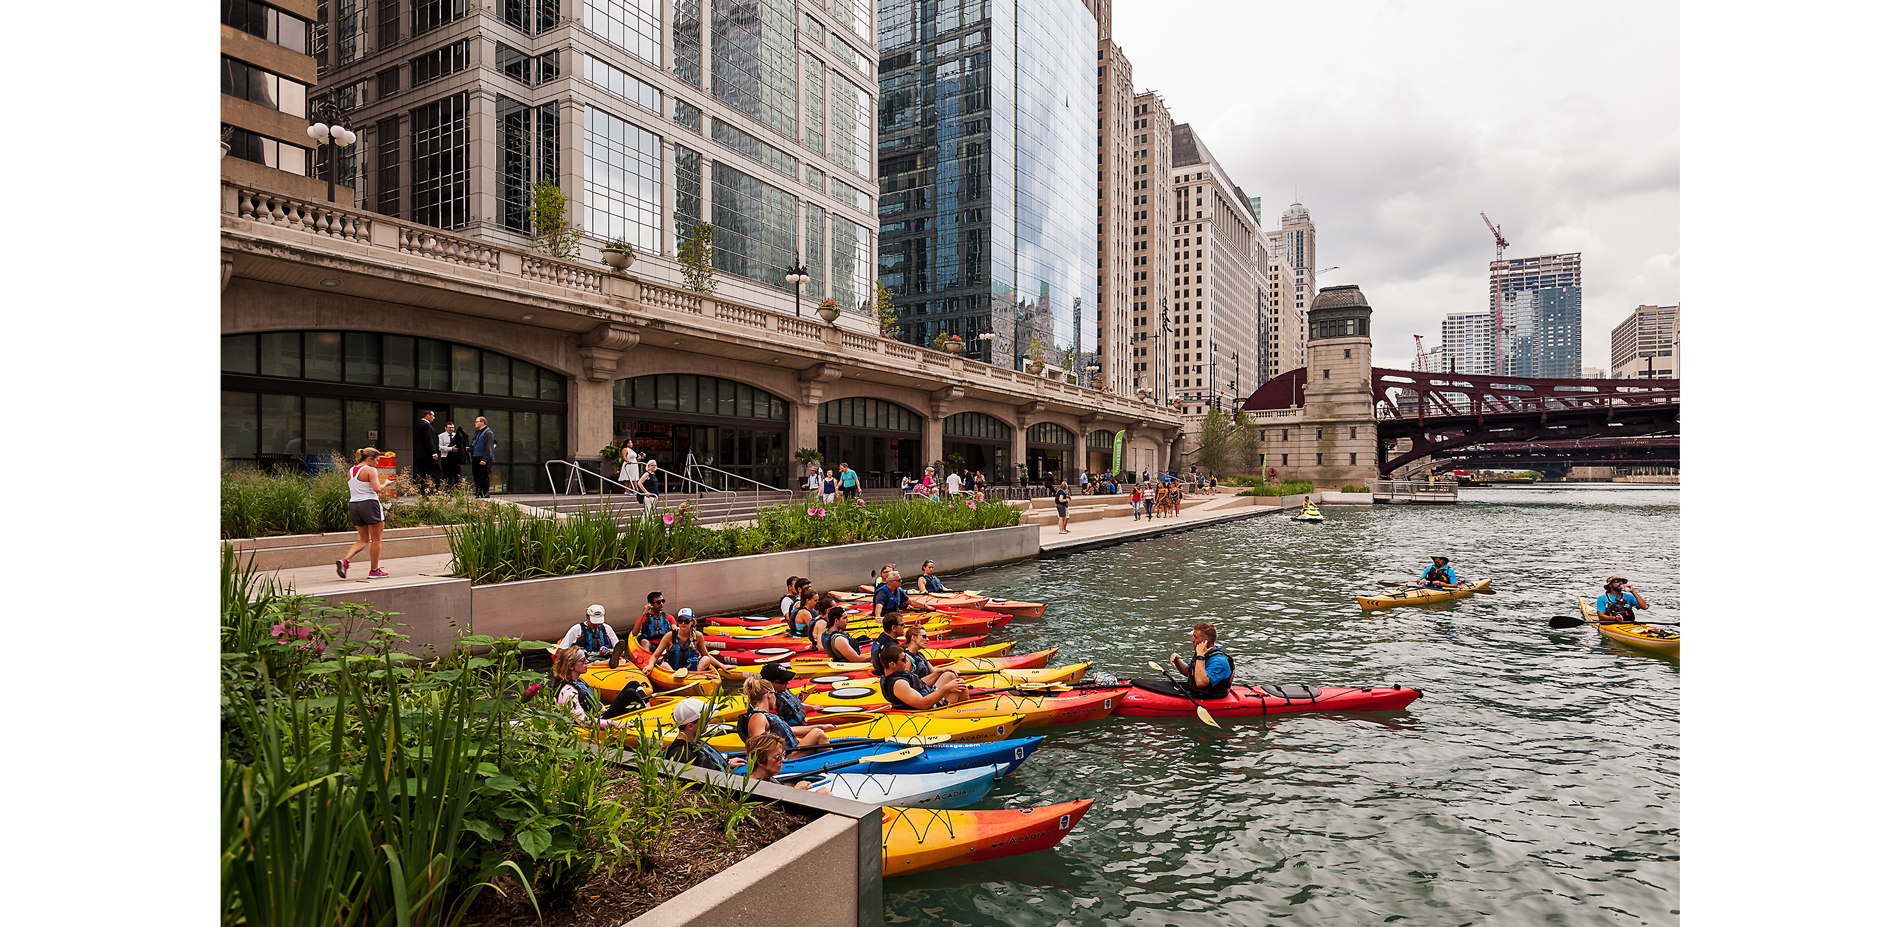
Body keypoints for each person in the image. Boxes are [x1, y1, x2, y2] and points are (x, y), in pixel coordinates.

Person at [548, 646, 647, 727]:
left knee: (633, 684)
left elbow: (590, 698)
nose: (586, 662)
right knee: (630, 693)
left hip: (601, 714)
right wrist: (614, 723)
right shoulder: (568, 691)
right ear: (571, 666)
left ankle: (648, 708)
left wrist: (602, 707)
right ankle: (647, 718)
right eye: (582, 661)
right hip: (598, 721)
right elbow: (582, 720)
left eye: (586, 659)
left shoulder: (578, 681)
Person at [337, 447, 394, 579]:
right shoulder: (370, 470)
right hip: (369, 504)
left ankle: (345, 560)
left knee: (364, 539)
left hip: (354, 505)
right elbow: (376, 489)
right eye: (377, 460)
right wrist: (385, 483)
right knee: (376, 539)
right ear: (369, 459)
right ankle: (374, 570)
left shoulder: (351, 471)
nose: (377, 463)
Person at [741, 675, 829, 750]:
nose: (775, 697)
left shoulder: (763, 715)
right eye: (774, 694)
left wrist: (820, 726)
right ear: (768, 694)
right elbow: (760, 747)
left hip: (788, 753)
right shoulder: (758, 717)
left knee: (817, 732)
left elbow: (789, 730)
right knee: (818, 733)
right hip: (783, 759)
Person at [875, 643, 968, 708]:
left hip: (927, 695)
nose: (906, 661)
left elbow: (920, 683)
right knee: (960, 686)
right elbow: (923, 704)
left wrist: (939, 671)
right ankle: (968, 712)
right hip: (931, 708)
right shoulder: (899, 684)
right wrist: (946, 688)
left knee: (949, 675)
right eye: (903, 660)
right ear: (892, 664)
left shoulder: (898, 673)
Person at [761, 662, 837, 741]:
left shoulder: (781, 690)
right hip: (793, 733)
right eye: (783, 681)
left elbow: (791, 705)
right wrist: (819, 727)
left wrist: (811, 707)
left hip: (802, 725)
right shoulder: (769, 704)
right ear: (770, 684)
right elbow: (780, 730)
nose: (788, 682)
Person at [665, 698, 745, 772]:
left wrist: (726, 763)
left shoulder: (694, 742)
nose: (709, 720)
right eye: (705, 718)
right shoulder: (682, 755)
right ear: (690, 726)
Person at [744, 733, 832, 793]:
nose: (782, 760)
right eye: (778, 757)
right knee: (824, 792)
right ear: (760, 762)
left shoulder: (765, 780)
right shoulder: (758, 787)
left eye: (783, 755)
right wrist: (795, 791)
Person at [1167, 621, 1235, 699]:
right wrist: (1176, 660)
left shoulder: (1219, 662)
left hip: (1211, 698)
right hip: (1197, 693)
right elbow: (1188, 672)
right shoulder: (1203, 654)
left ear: (1205, 641)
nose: (1192, 640)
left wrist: (1200, 656)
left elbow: (1201, 683)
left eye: (1195, 637)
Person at [653, 610, 731, 674]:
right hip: (672, 670)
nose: (683, 623)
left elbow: (706, 654)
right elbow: (655, 656)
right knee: (663, 665)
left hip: (691, 671)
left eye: (686, 621)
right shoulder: (669, 636)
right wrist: (650, 665)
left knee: (706, 659)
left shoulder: (698, 636)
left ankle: (694, 676)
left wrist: (722, 665)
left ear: (692, 622)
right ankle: (675, 680)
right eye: (680, 621)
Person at [901, 624, 963, 692]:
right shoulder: (907, 659)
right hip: (920, 692)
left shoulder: (920, 655)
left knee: (951, 673)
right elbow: (908, 684)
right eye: (924, 636)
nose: (927, 639)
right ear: (914, 638)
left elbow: (933, 670)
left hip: (927, 687)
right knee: (949, 675)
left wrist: (948, 669)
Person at [413, 409, 442, 492]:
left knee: (422, 474)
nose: (434, 418)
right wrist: (433, 453)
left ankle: (423, 491)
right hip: (428, 456)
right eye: (432, 416)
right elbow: (429, 440)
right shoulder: (426, 426)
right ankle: (435, 490)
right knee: (435, 473)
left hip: (420, 456)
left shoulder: (418, 425)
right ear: (427, 416)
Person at [469, 416, 496, 496]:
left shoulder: (488, 433)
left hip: (483, 458)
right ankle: (478, 493)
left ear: (482, 422)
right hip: (476, 457)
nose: (475, 423)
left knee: (483, 477)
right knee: (476, 476)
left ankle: (484, 493)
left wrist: (485, 459)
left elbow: (489, 447)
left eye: (477, 421)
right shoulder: (477, 433)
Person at [438, 422, 469, 489]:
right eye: (449, 427)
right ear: (445, 428)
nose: (451, 429)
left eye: (452, 427)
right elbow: (440, 447)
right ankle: (447, 491)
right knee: (447, 476)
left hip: (456, 458)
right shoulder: (441, 436)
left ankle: (458, 491)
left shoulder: (457, 435)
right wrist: (451, 449)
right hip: (446, 458)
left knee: (458, 476)